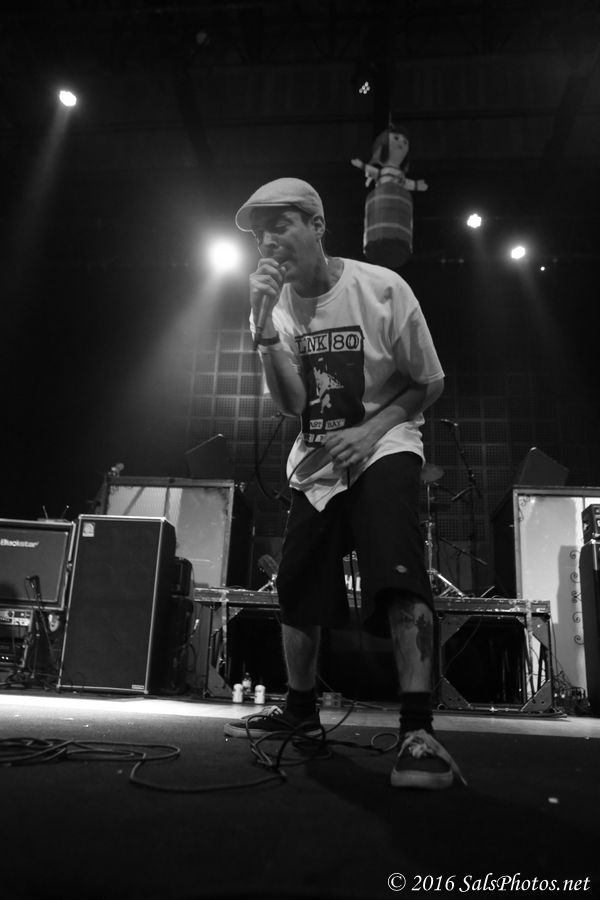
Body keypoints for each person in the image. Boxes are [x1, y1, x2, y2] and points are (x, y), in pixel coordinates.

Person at [224, 177, 462, 790]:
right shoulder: (276, 306)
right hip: (319, 457)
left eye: (280, 226)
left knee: (398, 573)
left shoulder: (382, 288)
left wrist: (370, 431)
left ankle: (418, 730)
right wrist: (262, 327)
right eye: (259, 234)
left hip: (385, 441)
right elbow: (291, 405)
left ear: (317, 226)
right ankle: (301, 712)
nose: (267, 242)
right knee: (298, 581)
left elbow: (429, 382)